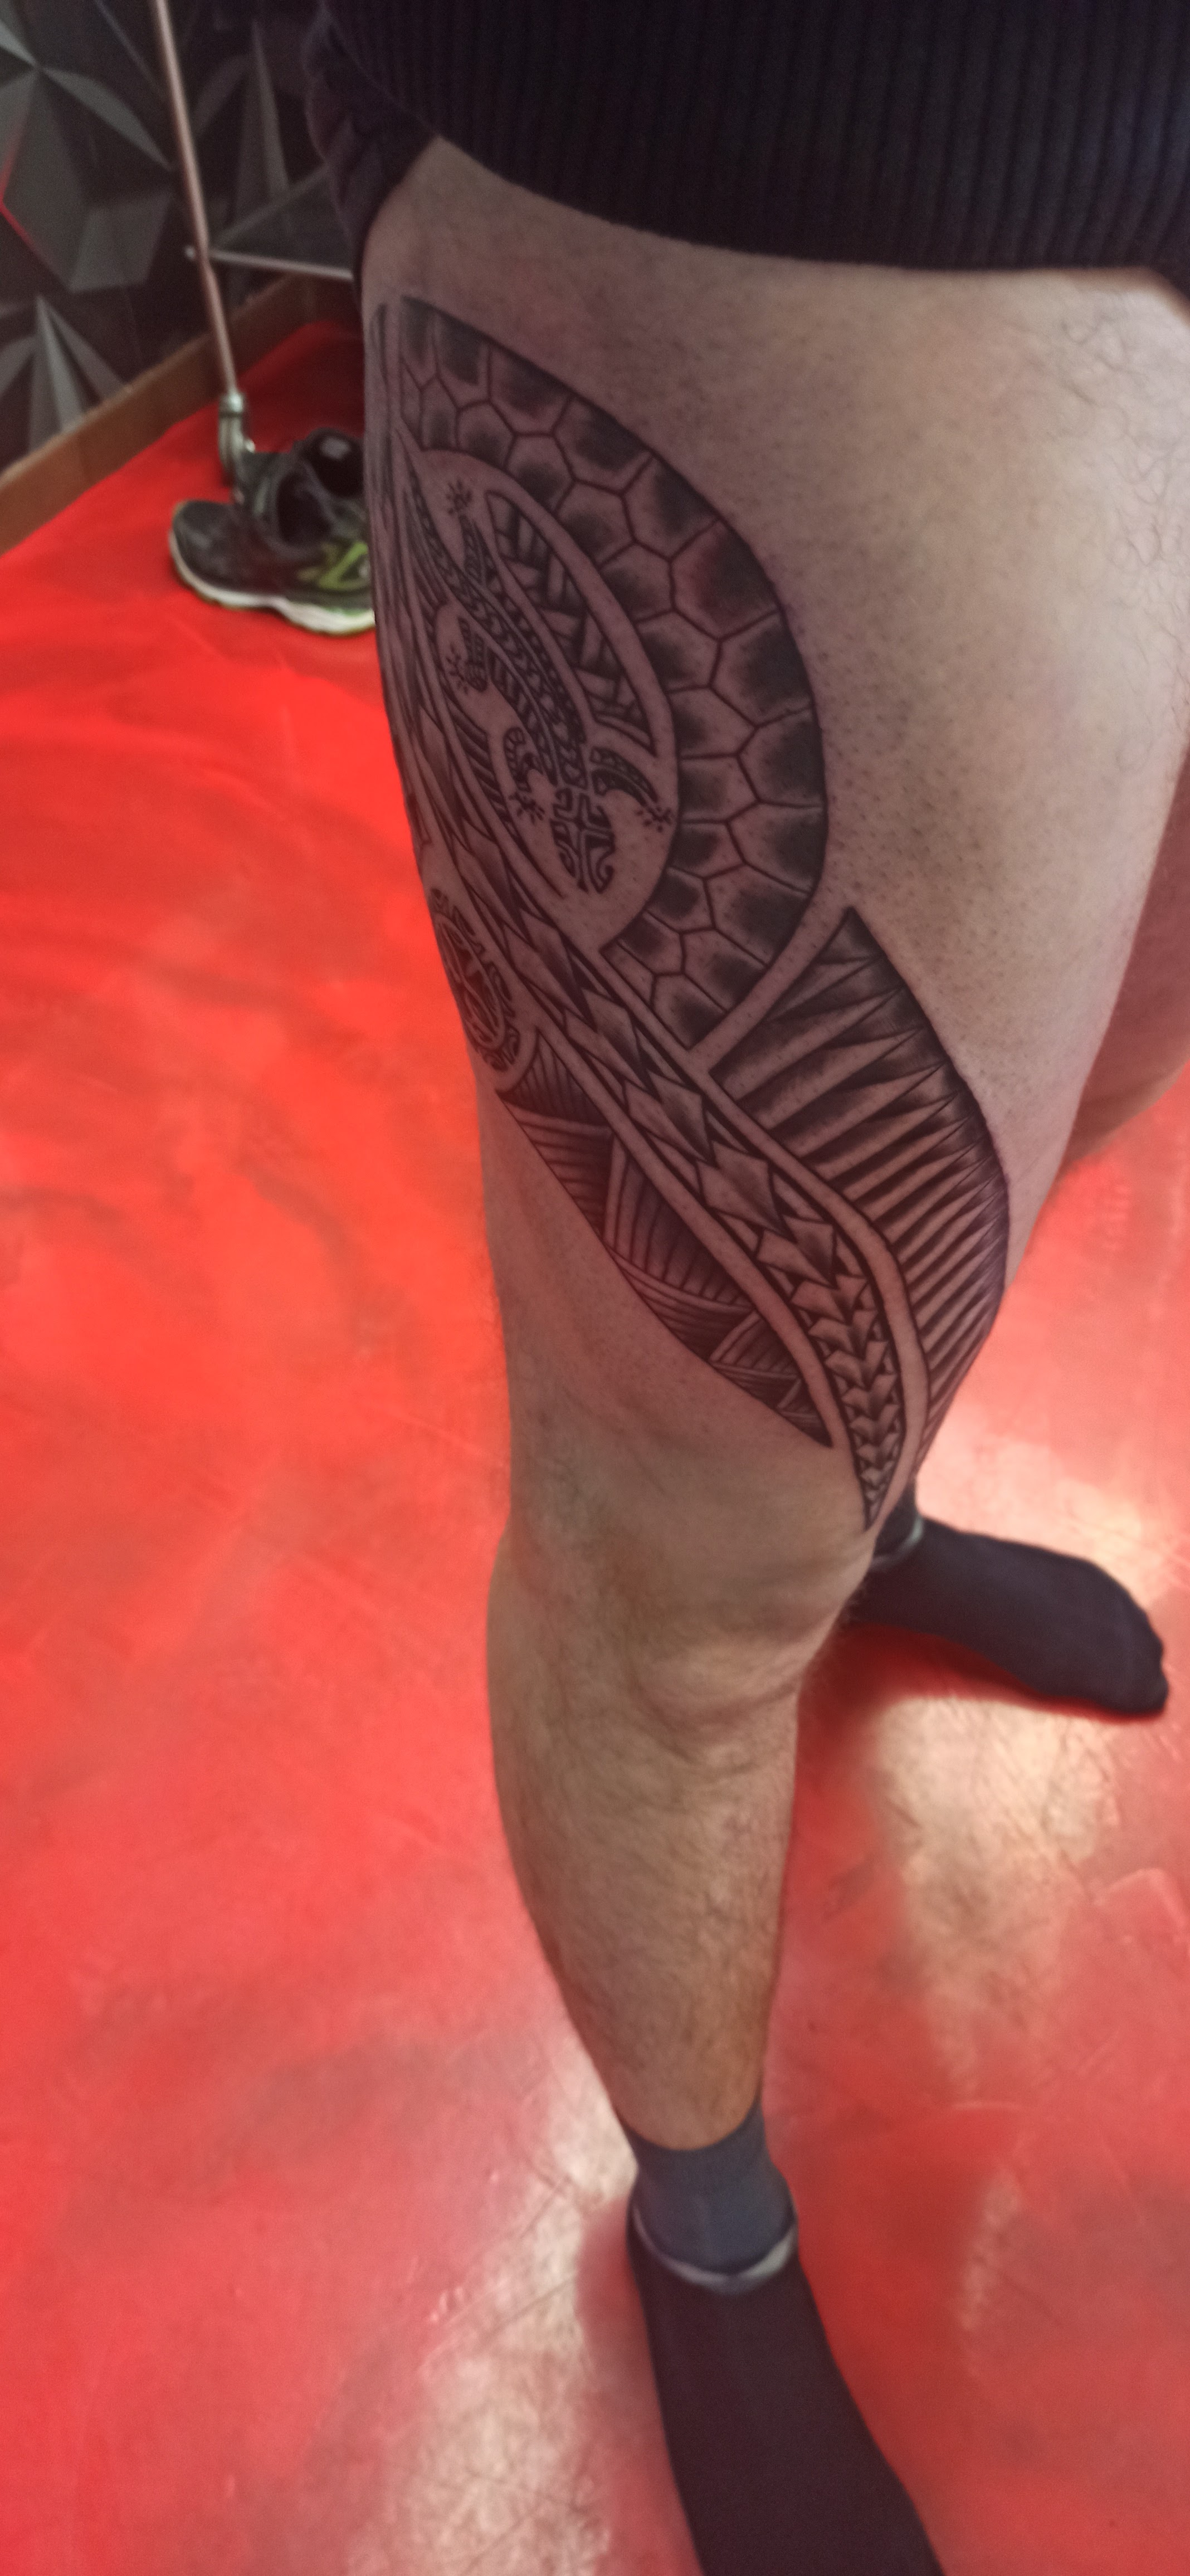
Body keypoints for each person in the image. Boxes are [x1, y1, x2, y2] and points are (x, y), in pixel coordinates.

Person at [304, 8, 1190, 2567]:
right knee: (686, 1533)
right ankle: (706, 2230)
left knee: (1061, 1084)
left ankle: (872, 1523)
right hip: (798, 109)